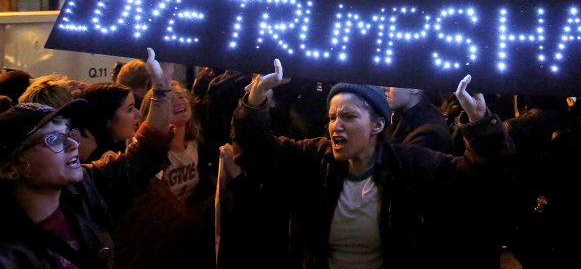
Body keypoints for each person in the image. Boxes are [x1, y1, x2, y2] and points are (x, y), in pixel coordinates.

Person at [230, 59, 514, 269]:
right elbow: (255, 151)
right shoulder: (314, 160)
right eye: (332, 117)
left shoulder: (409, 166)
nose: (336, 127)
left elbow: (481, 180)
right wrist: (254, 102)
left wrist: (481, 127)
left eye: (349, 117)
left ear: (377, 124)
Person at [0, 48, 176, 269]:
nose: (72, 144)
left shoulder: (86, 186)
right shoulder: (8, 252)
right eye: (54, 140)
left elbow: (145, 154)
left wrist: (161, 87)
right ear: (10, 169)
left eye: (69, 134)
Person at [141, 81, 206, 205]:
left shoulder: (197, 144)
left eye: (181, 97)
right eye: (169, 100)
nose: (179, 102)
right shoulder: (150, 154)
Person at [79, 83, 142, 162]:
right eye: (130, 109)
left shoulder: (129, 147)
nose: (139, 114)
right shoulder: (79, 159)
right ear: (106, 118)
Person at [384, 86, 454, 153]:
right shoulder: (401, 115)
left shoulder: (428, 136)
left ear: (415, 88)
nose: (384, 87)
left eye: (393, 82)